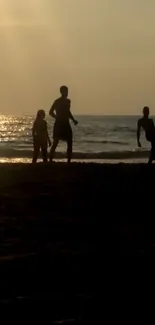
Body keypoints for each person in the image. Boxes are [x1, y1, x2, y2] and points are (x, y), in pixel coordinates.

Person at [49, 86, 78, 163]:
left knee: (70, 141)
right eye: (66, 91)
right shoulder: (57, 101)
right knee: (56, 141)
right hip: (59, 124)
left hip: (66, 123)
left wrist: (73, 120)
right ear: (61, 92)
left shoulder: (68, 101)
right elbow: (50, 112)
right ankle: (50, 159)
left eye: (67, 91)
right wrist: (57, 117)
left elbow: (68, 112)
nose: (67, 93)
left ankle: (69, 160)